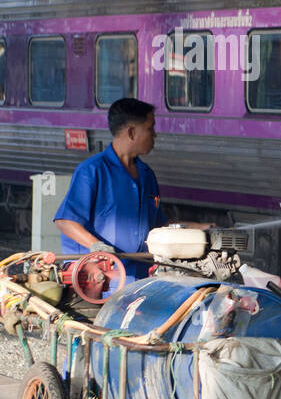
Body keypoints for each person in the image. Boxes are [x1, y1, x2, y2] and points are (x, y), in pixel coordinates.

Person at [54, 97, 207, 286]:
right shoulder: (92, 171)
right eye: (150, 128)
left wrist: (200, 228)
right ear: (132, 132)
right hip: (97, 282)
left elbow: (161, 224)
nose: (155, 135)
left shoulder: (146, 175)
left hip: (137, 279)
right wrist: (97, 246)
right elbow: (65, 221)